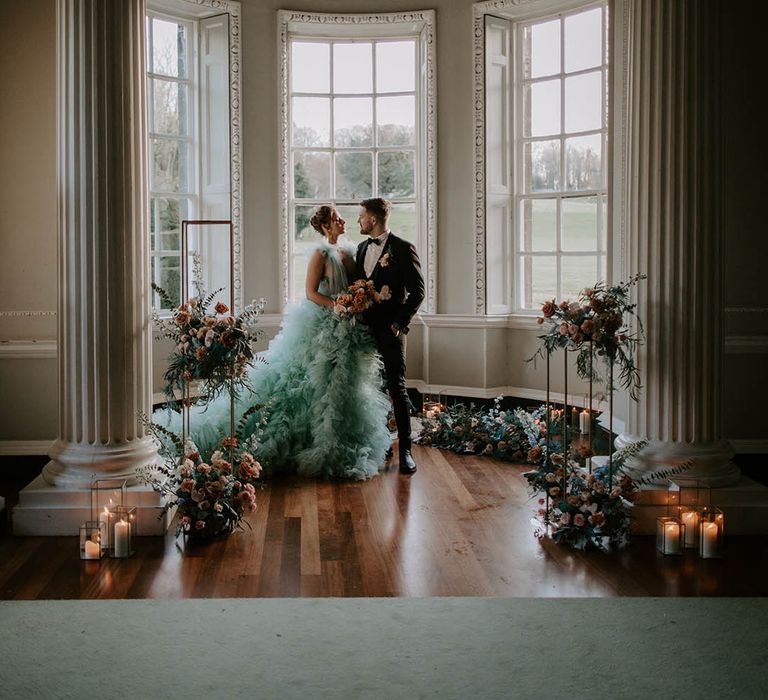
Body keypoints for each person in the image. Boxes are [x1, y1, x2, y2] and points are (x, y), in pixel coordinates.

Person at [157, 205, 391, 481]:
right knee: (302, 385)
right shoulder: (321, 253)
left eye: (341, 217)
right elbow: (310, 293)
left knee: (339, 388)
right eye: (337, 218)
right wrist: (338, 305)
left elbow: (357, 285)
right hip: (324, 325)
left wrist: (359, 298)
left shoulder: (349, 252)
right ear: (326, 226)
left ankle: (335, 441)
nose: (343, 221)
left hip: (348, 329)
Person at [356, 198, 425, 475]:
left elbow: (418, 291)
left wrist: (399, 323)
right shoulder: (361, 249)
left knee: (396, 388)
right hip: (364, 331)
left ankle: (405, 450)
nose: (358, 221)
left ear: (373, 219)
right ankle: (381, 442)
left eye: (361, 216)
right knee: (371, 388)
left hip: (391, 331)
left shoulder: (403, 248)